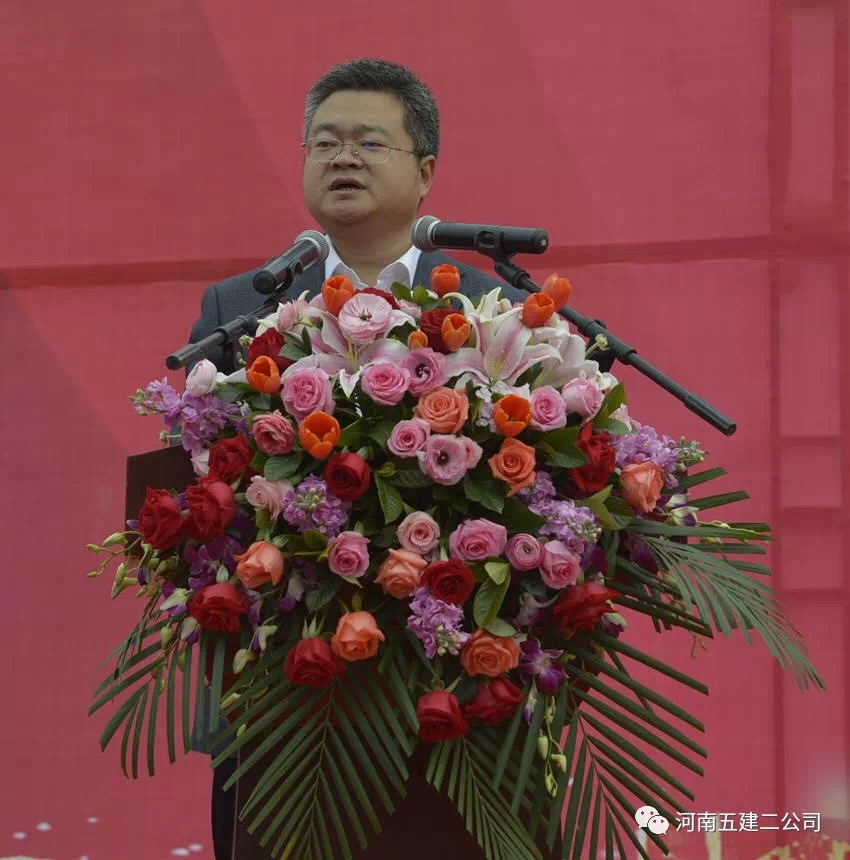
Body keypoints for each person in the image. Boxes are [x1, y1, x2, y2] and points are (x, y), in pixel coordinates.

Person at [188, 57, 528, 859]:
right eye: (325, 142)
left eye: (369, 142)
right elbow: (198, 459)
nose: (343, 157)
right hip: (285, 672)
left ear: (425, 172)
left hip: (458, 671)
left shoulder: (489, 305)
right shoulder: (242, 305)